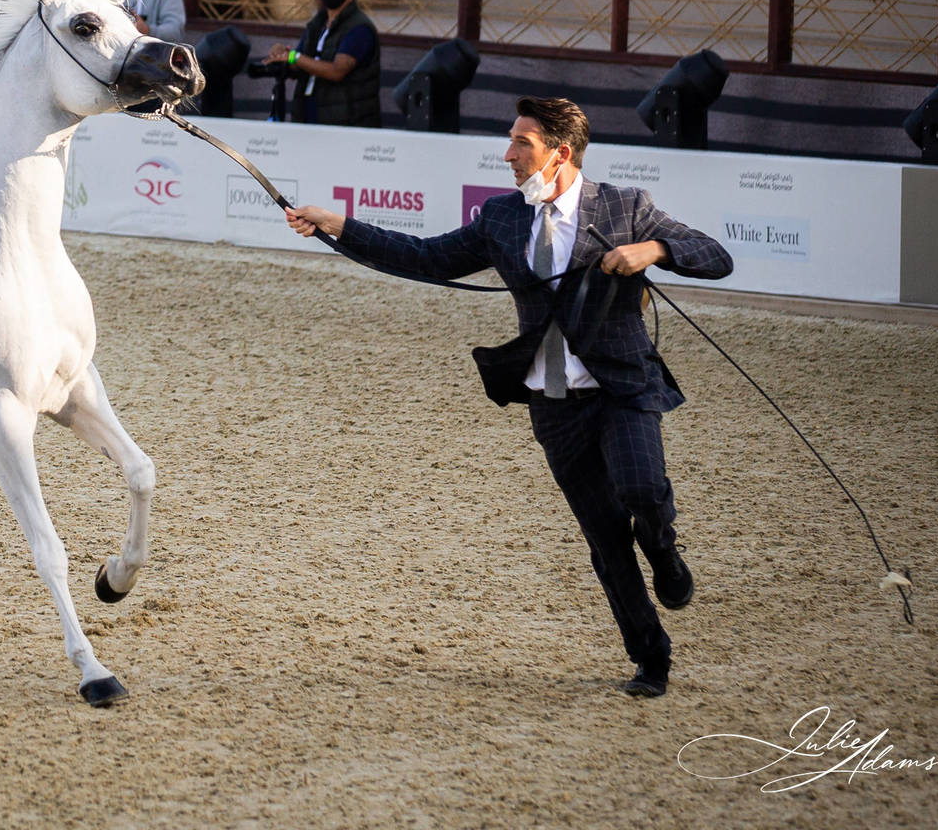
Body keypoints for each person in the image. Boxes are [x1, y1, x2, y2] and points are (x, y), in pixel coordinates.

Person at [283, 96, 734, 698]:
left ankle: (666, 553)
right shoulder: (500, 219)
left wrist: (653, 250)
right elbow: (428, 257)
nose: (509, 154)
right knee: (604, 535)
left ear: (560, 152)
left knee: (643, 491)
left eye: (523, 143)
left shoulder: (626, 207)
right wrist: (340, 226)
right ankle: (651, 657)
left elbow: (718, 256)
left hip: (623, 387)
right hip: (554, 403)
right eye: (511, 141)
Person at [265, 0, 381, 127]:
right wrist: (282, 55)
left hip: (347, 125)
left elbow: (336, 71)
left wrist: (295, 57)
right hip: (308, 118)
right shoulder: (317, 25)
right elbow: (300, 61)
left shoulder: (359, 28)